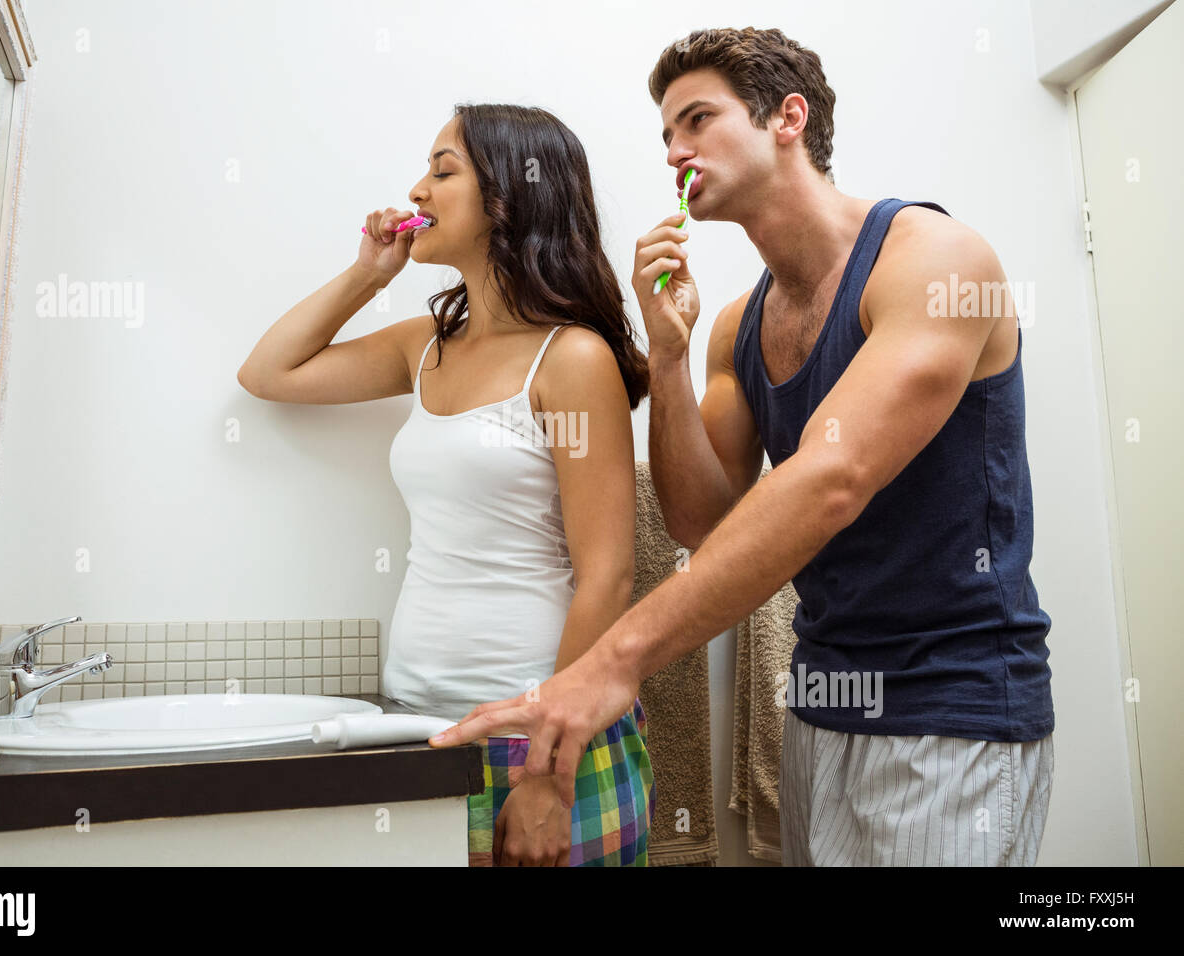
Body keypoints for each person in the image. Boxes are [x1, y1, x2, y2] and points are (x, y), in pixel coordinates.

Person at [430, 27, 1056, 867]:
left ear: (787, 117)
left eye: (696, 120)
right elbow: (698, 519)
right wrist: (669, 354)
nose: (674, 150)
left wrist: (613, 661)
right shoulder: (739, 325)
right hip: (823, 704)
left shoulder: (937, 261)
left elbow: (832, 478)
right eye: (664, 135)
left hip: (952, 705)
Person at [237, 103, 655, 866]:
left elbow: (608, 575)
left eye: (442, 170)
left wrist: (546, 778)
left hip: (537, 739)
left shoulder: (572, 360)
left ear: (508, 196)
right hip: (420, 724)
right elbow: (269, 373)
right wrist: (368, 275)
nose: (417, 190)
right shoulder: (425, 346)